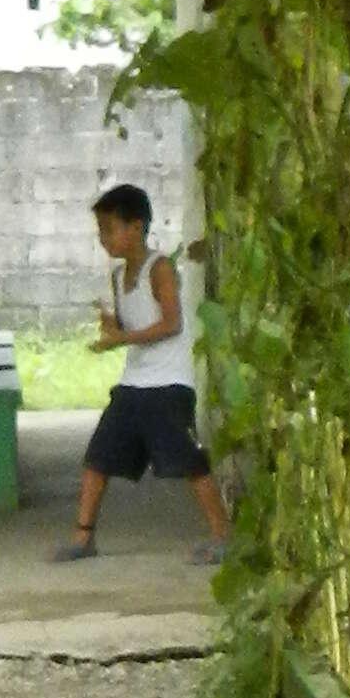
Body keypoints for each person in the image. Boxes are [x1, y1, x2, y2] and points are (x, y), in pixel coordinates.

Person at [57, 182, 228, 561]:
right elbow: (127, 326)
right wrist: (111, 327)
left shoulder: (160, 268)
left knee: (188, 460)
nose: (103, 238)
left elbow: (171, 324)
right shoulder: (118, 278)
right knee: (98, 456)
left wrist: (121, 338)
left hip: (168, 384)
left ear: (136, 228)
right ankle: (82, 538)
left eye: (109, 228)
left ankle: (221, 535)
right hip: (135, 382)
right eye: (100, 230)